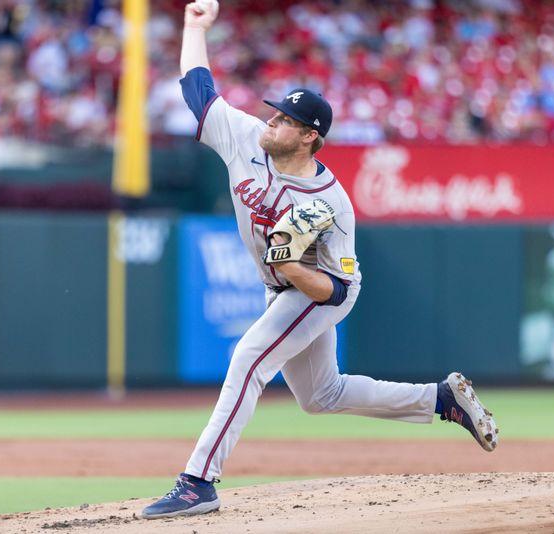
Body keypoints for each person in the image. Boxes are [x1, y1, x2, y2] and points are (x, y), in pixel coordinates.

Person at [141, 1, 499, 520]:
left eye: (286, 120)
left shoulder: (328, 203)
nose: (272, 120)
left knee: (249, 358)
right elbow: (198, 88)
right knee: (320, 395)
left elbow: (334, 290)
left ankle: (199, 481)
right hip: (283, 282)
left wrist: (291, 269)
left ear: (309, 136)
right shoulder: (245, 138)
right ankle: (440, 399)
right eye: (275, 111)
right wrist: (195, 27)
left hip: (323, 288)